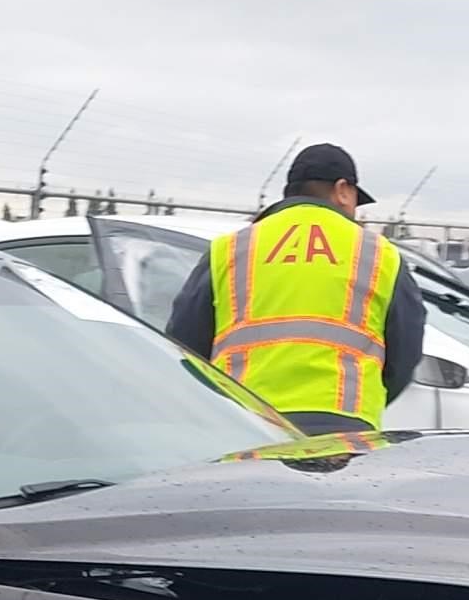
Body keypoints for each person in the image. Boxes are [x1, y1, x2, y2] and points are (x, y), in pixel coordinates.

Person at [166, 143, 425, 430]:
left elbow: (184, 342)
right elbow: (405, 351)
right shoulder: (378, 253)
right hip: (344, 430)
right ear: (342, 190)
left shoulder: (230, 248)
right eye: (355, 199)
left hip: (247, 424)